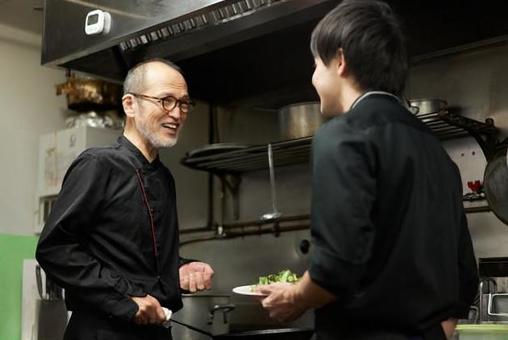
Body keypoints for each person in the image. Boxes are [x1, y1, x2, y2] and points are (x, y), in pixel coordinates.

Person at [256, 1, 479, 339]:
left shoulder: (342, 135)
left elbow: (334, 267)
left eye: (316, 64)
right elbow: (465, 274)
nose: (313, 78)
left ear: (340, 61)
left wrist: (294, 297)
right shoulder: (437, 154)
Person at [36, 58, 214, 340]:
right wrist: (126, 302)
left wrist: (180, 268)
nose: (177, 113)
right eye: (166, 100)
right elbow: (56, 249)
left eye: (183, 103)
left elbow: (136, 260)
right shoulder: (98, 164)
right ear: (130, 104)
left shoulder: (164, 177)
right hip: (102, 332)